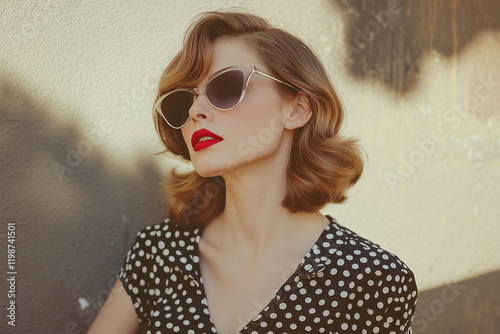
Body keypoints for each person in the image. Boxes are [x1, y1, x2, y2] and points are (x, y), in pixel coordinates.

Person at [88, 10, 418, 334]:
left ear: (297, 108)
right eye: (181, 101)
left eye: (226, 87)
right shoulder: (158, 252)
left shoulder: (374, 278)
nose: (196, 111)